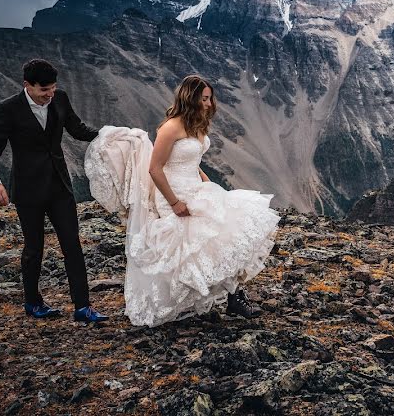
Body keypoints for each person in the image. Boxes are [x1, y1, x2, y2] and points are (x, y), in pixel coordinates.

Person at [84, 75, 279, 327]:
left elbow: (193, 162)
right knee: (204, 243)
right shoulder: (171, 127)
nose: (209, 104)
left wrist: (207, 182)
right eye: (204, 99)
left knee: (230, 231)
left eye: (210, 98)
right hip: (174, 193)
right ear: (191, 98)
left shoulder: (197, 124)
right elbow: (155, 168)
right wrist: (174, 202)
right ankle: (222, 297)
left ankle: (234, 296)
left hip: (195, 187)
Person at [0, 58, 109, 323]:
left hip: (60, 185)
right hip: (28, 190)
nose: (50, 95)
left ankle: (83, 307)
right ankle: (32, 303)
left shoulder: (60, 98)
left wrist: (112, 135)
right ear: (27, 85)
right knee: (34, 248)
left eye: (52, 88)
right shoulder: (8, 109)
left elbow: (77, 129)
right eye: (43, 90)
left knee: (72, 244)